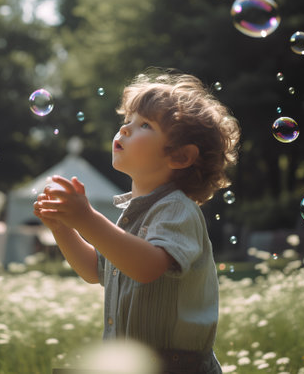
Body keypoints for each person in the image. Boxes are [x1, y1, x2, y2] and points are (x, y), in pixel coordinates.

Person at [33, 68, 240, 374]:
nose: (125, 130)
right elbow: (94, 270)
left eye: (144, 125)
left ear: (180, 157)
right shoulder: (134, 214)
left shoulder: (176, 208)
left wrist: (87, 218)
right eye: (126, 121)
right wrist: (63, 228)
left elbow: (147, 267)